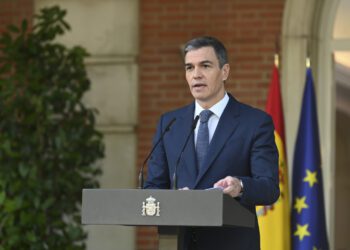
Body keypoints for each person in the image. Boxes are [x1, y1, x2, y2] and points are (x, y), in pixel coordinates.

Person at [144, 36, 279, 250]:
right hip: (180, 242)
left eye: (205, 66)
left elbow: (269, 188)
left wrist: (239, 186)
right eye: (189, 67)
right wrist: (173, 199)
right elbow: (152, 187)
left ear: (224, 71)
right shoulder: (169, 124)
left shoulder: (254, 123)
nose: (196, 74)